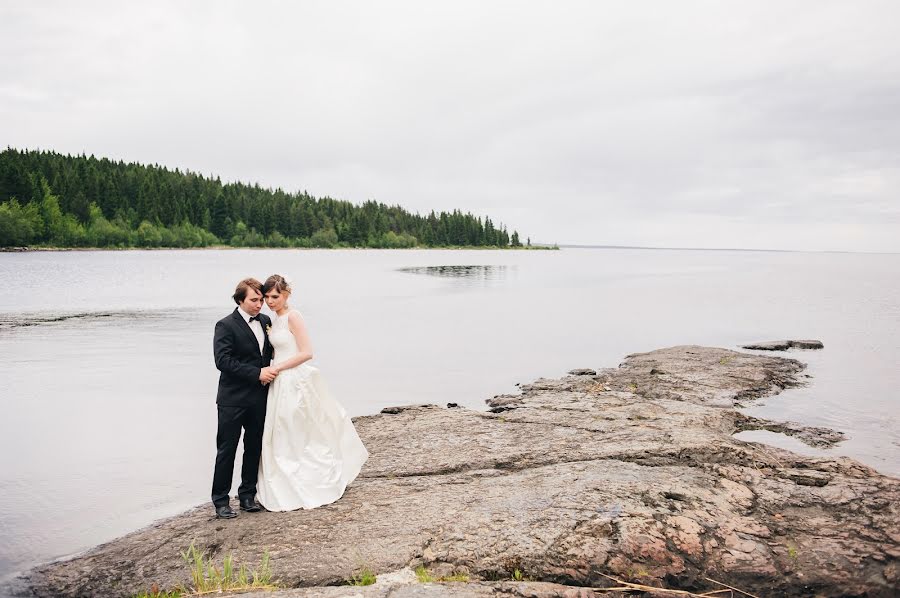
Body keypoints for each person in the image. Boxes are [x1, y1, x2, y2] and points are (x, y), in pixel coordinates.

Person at [257, 274, 368, 511]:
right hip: (279, 382)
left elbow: (307, 352)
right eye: (266, 297)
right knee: (281, 430)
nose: (270, 301)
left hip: (293, 378)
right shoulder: (272, 320)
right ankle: (285, 476)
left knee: (299, 428)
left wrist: (276, 367)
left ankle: (312, 476)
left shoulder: (293, 317)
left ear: (286, 295)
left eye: (274, 296)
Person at [211, 278, 277, 519]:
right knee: (227, 449)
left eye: (261, 300)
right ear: (240, 300)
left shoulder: (266, 322)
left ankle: (247, 495)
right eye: (254, 300)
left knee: (254, 446)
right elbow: (223, 361)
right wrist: (257, 373)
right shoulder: (225, 325)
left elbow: (269, 355)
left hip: (259, 397)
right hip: (232, 399)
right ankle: (220, 501)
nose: (260, 304)